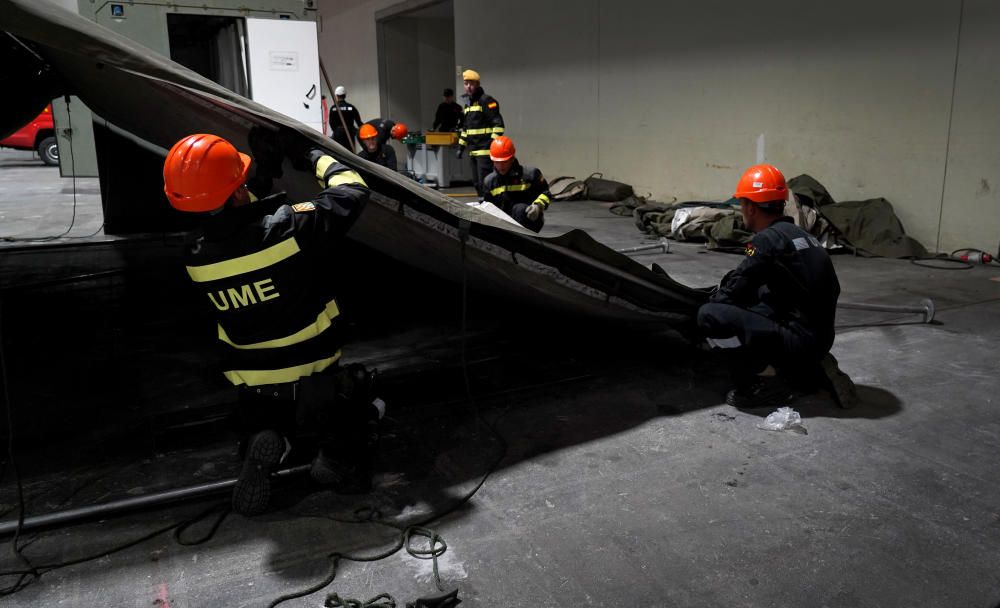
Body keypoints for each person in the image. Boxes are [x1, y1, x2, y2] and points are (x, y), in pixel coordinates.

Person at [162, 133, 380, 515]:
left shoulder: (193, 254)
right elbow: (353, 188)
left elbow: (235, 222)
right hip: (313, 371)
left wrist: (262, 176)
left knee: (268, 411)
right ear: (235, 190)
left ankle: (266, 440)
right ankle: (335, 459)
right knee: (358, 398)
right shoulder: (290, 230)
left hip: (252, 381)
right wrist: (309, 154)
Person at [697, 164, 856, 409]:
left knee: (710, 316)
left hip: (801, 342)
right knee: (759, 294)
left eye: (742, 205)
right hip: (821, 338)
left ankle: (767, 380)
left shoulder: (764, 241)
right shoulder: (803, 236)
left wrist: (710, 304)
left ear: (750, 206)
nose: (741, 212)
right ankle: (806, 368)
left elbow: (737, 286)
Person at [481, 136, 551, 233]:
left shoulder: (530, 175)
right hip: (503, 223)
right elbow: (488, 207)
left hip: (529, 219)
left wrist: (538, 206)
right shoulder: (489, 181)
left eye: (504, 162)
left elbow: (546, 193)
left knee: (519, 209)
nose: (501, 166)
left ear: (512, 158)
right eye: (497, 162)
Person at [456, 69, 504, 197]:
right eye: (466, 83)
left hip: (484, 150)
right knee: (477, 183)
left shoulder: (486, 101)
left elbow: (498, 126)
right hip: (472, 150)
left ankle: (491, 208)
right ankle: (484, 206)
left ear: (477, 84)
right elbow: (466, 129)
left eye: (471, 83)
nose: (468, 87)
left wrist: (492, 145)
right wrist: (461, 147)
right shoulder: (468, 104)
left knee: (486, 183)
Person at [329, 85, 363, 150]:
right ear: (345, 95)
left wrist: (337, 131)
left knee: (339, 152)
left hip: (338, 135)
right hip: (349, 134)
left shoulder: (333, 108)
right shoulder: (351, 107)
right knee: (350, 153)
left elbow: (331, 123)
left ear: (336, 96)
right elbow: (359, 122)